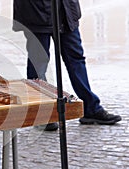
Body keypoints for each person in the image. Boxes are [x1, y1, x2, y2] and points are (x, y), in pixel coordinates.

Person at [13, 0, 122, 131]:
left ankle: (90, 108)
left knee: (76, 59)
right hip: (37, 12)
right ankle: (42, 113)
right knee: (38, 62)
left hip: (66, 11)